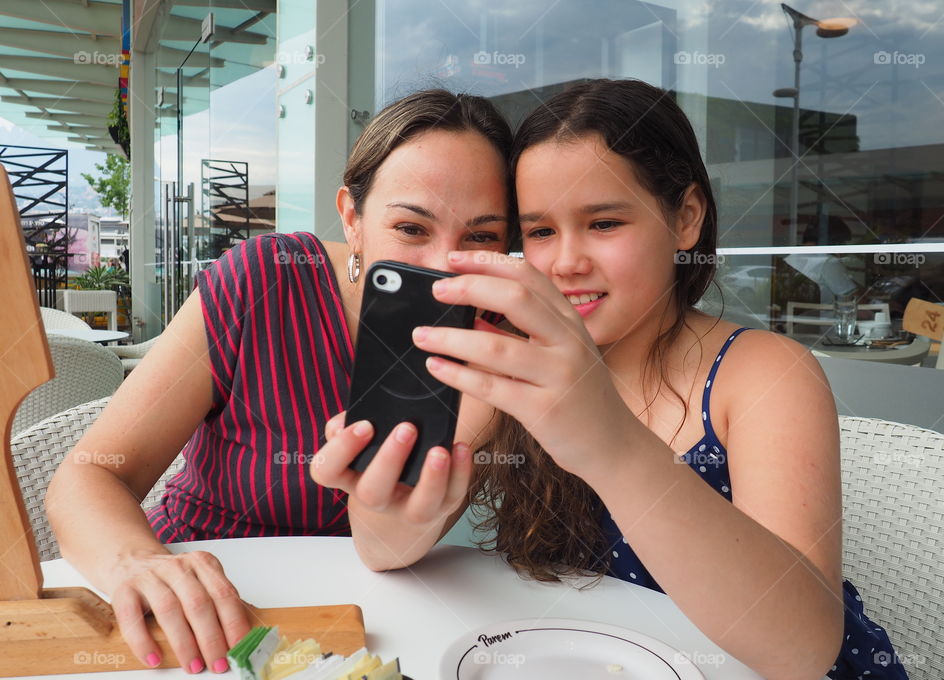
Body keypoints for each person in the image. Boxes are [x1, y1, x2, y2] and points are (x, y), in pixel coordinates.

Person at [313, 79, 907, 680]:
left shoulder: (762, 374)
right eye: (540, 232)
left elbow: (802, 649)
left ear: (686, 219)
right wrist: (390, 502)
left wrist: (611, 445)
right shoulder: (512, 361)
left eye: (603, 223)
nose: (567, 261)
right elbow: (381, 550)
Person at [46, 89, 514, 674]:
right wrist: (139, 563)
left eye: (481, 237)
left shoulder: (494, 342)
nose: (443, 268)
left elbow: (391, 545)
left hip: (357, 620)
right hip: (196, 603)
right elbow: (90, 473)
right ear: (352, 216)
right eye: (411, 228)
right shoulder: (262, 280)